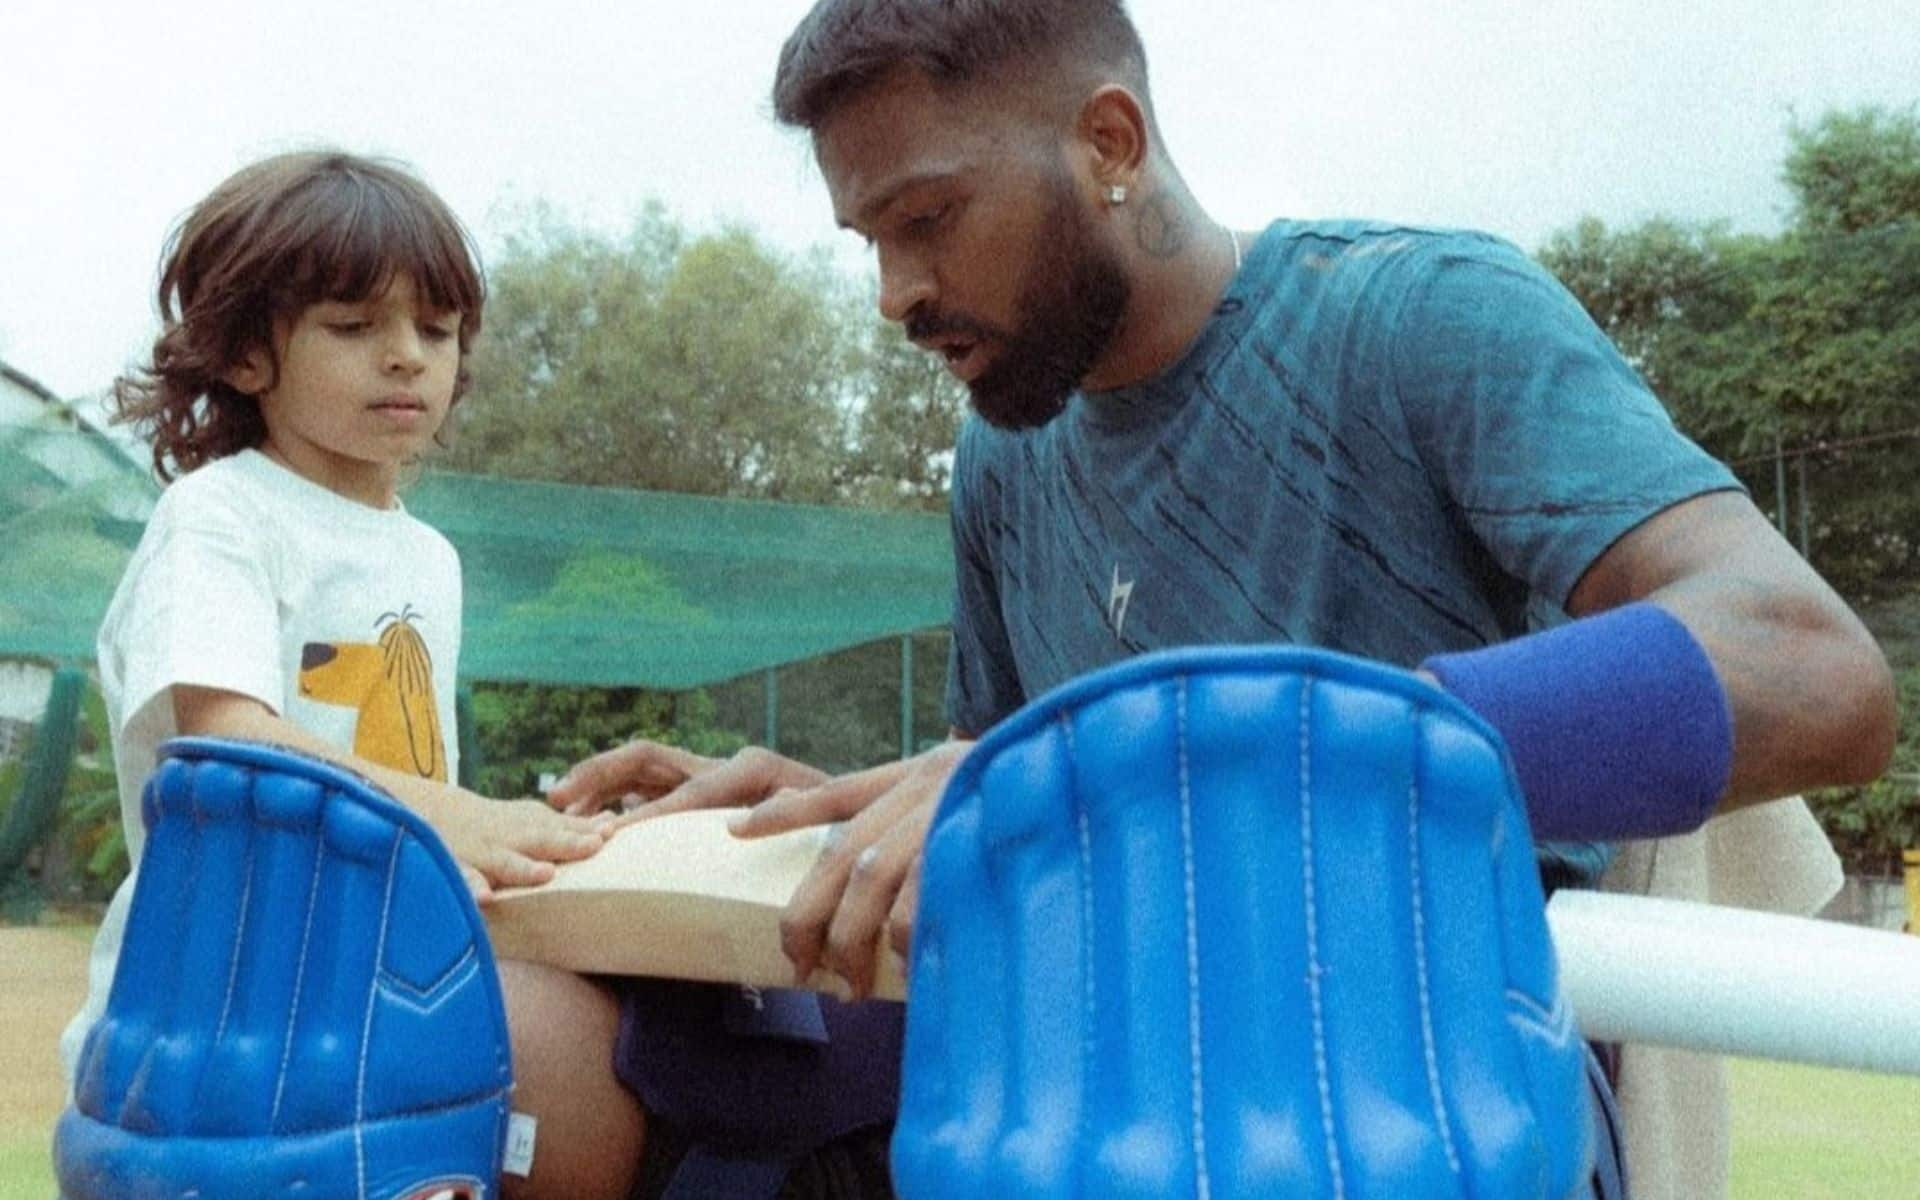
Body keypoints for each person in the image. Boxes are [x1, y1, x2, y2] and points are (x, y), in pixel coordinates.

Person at [524, 2, 1899, 1197]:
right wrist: (797, 824)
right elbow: (1025, 810)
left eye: (928, 219)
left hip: (1402, 1061)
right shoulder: (1006, 453)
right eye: (868, 239)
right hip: (1084, 1052)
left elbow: (1812, 674)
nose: (894, 294)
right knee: (546, 1052)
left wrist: (1177, 771)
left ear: (1110, 144)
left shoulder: (1422, 318)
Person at [60, 150, 615, 1094]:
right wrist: (455, 819)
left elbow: (410, 773)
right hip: (208, 1025)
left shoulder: (428, 557)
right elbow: (231, 738)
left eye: (436, 329)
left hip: (368, 1005)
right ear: (244, 354)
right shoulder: (220, 515)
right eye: (354, 325)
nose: (406, 353)